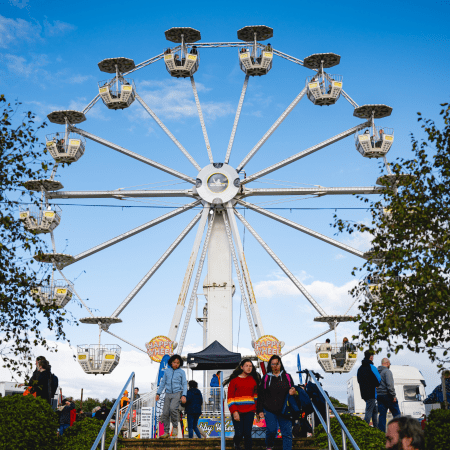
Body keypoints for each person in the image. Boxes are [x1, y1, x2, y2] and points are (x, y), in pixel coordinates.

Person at [257, 355, 296, 450]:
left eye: (277, 364)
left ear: (280, 364)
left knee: (287, 433)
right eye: (273, 364)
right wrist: (259, 410)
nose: (275, 366)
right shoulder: (266, 378)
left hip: (285, 409)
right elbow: (261, 395)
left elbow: (293, 390)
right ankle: (269, 446)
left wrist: (293, 392)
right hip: (269, 409)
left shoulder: (287, 376)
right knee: (271, 430)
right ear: (270, 365)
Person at [225, 359, 260, 450]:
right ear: (241, 367)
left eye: (251, 366)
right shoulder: (234, 381)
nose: (249, 368)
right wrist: (234, 411)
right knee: (239, 433)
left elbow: (255, 398)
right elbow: (230, 399)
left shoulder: (253, 380)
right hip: (238, 411)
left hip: (250, 411)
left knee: (247, 433)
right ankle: (236, 443)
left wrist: (257, 411)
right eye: (247, 365)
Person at [155, 354, 187, 439]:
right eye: (174, 362)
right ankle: (166, 432)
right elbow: (162, 384)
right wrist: (158, 393)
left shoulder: (182, 372)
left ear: (180, 364)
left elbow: (184, 384)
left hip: (177, 392)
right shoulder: (167, 371)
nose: (176, 364)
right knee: (165, 412)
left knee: (173, 409)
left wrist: (184, 395)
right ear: (171, 362)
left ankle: (175, 427)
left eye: (178, 363)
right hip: (168, 393)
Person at [357, 350, 381, 427]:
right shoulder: (372, 367)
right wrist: (376, 384)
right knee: (369, 411)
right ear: (371, 357)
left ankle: (376, 428)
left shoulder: (360, 369)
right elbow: (378, 379)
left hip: (364, 393)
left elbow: (359, 380)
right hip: (371, 392)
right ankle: (364, 428)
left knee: (374, 410)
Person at [377, 357, 401, 432]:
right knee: (397, 414)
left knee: (382, 415)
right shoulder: (387, 372)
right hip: (387, 395)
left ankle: (381, 433)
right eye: (389, 363)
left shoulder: (377, 372)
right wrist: (393, 396)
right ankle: (398, 432)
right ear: (387, 363)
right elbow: (390, 385)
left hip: (379, 396)